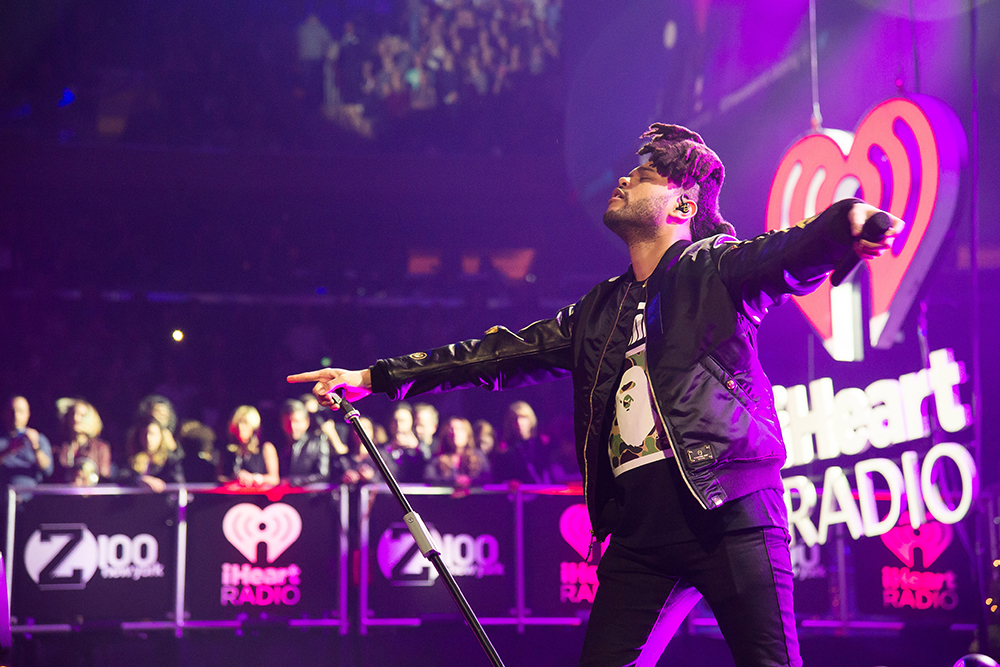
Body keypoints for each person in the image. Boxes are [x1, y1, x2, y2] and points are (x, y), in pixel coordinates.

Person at [288, 123, 904, 667]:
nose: (623, 182)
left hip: (730, 513)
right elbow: (493, 356)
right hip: (640, 536)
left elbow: (785, 253)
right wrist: (370, 378)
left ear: (684, 201)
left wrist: (846, 223)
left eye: (641, 176)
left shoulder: (713, 267)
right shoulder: (598, 311)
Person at [53, 399, 113, 483]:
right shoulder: (59, 447)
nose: (76, 418)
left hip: (93, 494)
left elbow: (104, 477)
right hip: (66, 493)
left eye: (82, 415)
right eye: (73, 414)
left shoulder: (101, 448)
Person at [218, 405, 280, 487]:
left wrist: (254, 478)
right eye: (238, 423)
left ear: (253, 426)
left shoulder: (266, 448)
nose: (240, 428)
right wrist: (233, 479)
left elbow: (274, 479)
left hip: (257, 497)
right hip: (234, 497)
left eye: (245, 423)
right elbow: (219, 477)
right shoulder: (228, 450)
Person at [0, 396, 54, 488]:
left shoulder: (39, 439)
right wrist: (9, 449)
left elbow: (48, 470)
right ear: (4, 414)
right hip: (5, 496)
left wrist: (35, 447)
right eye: (12, 411)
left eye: (20, 411)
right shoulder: (2, 441)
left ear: (28, 414)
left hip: (32, 497)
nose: (16, 416)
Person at [491, 400, 550, 483]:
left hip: (544, 493)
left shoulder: (542, 444)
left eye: (523, 417)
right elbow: (499, 477)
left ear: (531, 420)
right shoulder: (506, 450)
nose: (519, 422)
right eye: (514, 419)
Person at [424, 416, 491, 489]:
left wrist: (470, 482)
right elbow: (429, 480)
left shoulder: (479, 457)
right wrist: (453, 482)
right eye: (451, 430)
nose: (455, 433)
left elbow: (488, 479)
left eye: (460, 429)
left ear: (467, 434)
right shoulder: (437, 460)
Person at [124, 414, 185, 492]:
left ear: (161, 436)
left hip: (161, 502)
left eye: (153, 434)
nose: (148, 439)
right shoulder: (132, 457)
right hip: (137, 502)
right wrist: (139, 480)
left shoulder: (170, 459)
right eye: (145, 434)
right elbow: (122, 476)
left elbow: (177, 481)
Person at [278, 398, 331, 486]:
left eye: (296, 422)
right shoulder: (278, 444)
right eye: (288, 422)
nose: (292, 426)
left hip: (311, 497)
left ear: (306, 422)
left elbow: (323, 475)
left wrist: (292, 482)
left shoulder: (318, 441)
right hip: (283, 497)